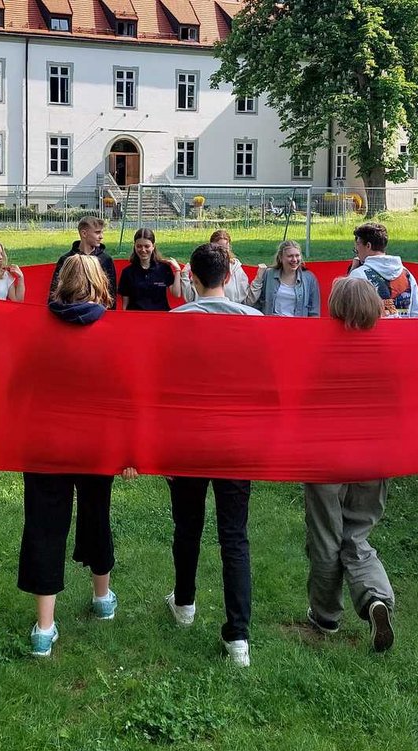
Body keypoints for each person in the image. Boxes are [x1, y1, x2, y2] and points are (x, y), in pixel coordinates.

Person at [302, 241, 418, 652]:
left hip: (326, 455)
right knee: (358, 532)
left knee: (325, 534)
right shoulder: (393, 348)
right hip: (375, 452)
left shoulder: (317, 348)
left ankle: (326, 614)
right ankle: (374, 598)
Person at [20, 254, 125, 658]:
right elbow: (123, 396)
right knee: (97, 514)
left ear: (61, 282)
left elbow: (19, 387)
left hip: (45, 443)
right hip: (96, 444)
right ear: (101, 284)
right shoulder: (114, 334)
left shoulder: (36, 331)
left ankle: (45, 627)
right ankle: (102, 599)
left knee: (45, 526)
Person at [166, 243, 263, 667]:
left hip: (188, 439)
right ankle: (237, 636)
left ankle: (185, 603)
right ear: (228, 278)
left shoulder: (174, 323)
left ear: (191, 279)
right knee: (234, 536)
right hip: (236, 440)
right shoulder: (256, 323)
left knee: (187, 526)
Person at [347, 222, 418, 319]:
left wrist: (350, 276)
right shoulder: (407, 274)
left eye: (357, 245)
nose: (356, 250)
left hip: (372, 333)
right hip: (404, 333)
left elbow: (349, 314)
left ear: (368, 246)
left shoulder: (358, 275)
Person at [49, 216, 116, 306]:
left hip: (98, 312)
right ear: (84, 233)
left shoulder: (105, 260)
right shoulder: (66, 259)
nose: (101, 237)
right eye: (97, 232)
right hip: (70, 311)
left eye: (101, 232)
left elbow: (111, 293)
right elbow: (55, 291)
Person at [244, 240, 320, 317]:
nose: (294, 260)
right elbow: (256, 303)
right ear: (280, 257)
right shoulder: (268, 274)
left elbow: (314, 312)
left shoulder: (309, 278)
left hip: (298, 326)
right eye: (290, 256)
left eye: (297, 255)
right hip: (271, 324)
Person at [117, 228, 182, 311]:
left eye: (147, 246)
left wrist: (177, 270)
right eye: (139, 246)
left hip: (160, 316)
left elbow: (177, 294)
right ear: (135, 246)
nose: (143, 250)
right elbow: (125, 303)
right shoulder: (127, 272)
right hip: (136, 317)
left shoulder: (164, 268)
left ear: (153, 246)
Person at [181, 229, 249, 303]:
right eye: (220, 248)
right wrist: (184, 275)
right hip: (204, 311)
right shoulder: (202, 266)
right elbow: (190, 298)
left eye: (226, 248)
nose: (224, 252)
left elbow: (246, 300)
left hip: (231, 312)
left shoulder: (236, 269)